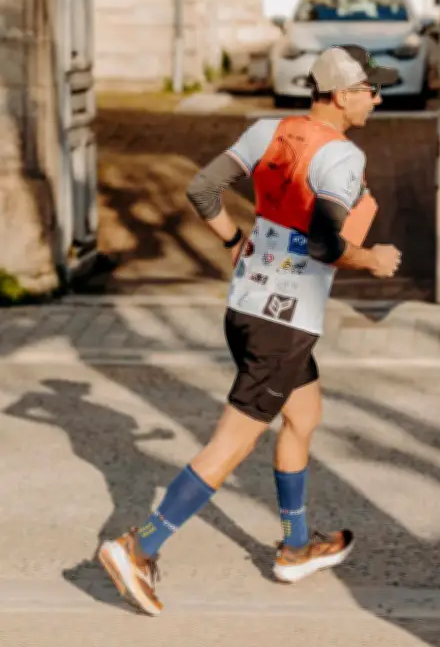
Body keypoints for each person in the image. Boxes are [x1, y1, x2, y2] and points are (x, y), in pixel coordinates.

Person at [98, 45, 402, 616]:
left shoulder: (267, 131)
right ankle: (139, 546)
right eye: (370, 89)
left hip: (245, 307)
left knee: (304, 415)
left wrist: (235, 242)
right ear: (341, 94)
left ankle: (294, 547)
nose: (377, 98)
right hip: (283, 325)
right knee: (232, 443)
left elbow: (202, 190)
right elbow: (324, 244)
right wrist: (373, 259)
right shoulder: (341, 159)